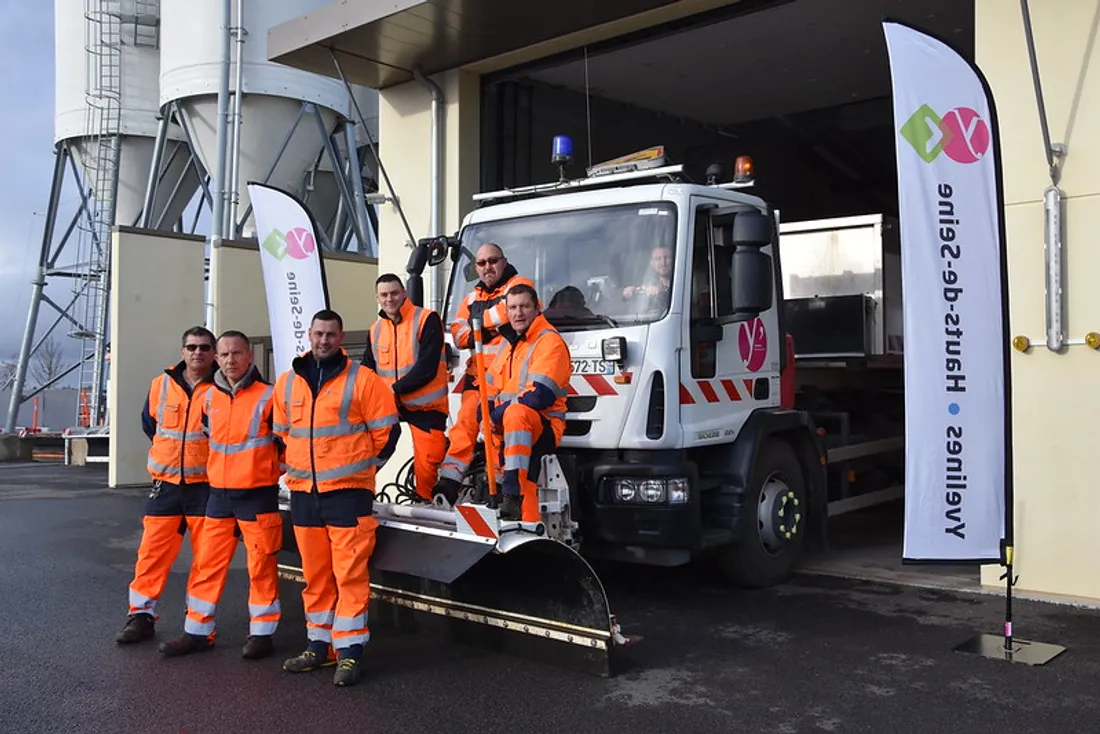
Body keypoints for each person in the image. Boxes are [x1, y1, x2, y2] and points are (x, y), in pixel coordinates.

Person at [273, 309, 401, 688]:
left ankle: (349, 654)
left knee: (350, 576)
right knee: (315, 577)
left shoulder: (364, 381)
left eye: (330, 334)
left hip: (348, 495)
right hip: (305, 495)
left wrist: (360, 471)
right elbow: (282, 433)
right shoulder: (288, 383)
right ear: (308, 336)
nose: (323, 340)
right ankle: (318, 647)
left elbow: (387, 436)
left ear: (341, 338)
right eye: (318, 334)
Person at [157, 330, 284, 660]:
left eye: (237, 353)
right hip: (219, 494)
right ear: (218, 358)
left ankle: (262, 633)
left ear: (250, 356)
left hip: (257, 495)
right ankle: (197, 631)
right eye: (224, 354)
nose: (230, 360)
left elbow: (287, 445)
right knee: (206, 565)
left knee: (261, 566)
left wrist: (266, 471)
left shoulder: (269, 396)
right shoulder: (210, 397)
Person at [116, 326, 217, 644]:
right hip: (167, 486)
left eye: (204, 347)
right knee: (151, 554)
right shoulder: (160, 386)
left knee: (206, 560)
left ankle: (199, 625)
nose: (197, 352)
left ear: (213, 353)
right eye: (191, 347)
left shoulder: (222, 388)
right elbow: (150, 425)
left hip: (206, 487)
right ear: (182, 351)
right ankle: (140, 617)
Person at [433, 242, 534, 504]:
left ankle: (498, 485)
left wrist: (479, 323)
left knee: (496, 429)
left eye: (493, 261)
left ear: (504, 261)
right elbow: (458, 333)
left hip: (506, 372)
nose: (487, 267)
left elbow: (513, 313)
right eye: (481, 263)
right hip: (476, 374)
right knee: (464, 426)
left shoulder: (519, 286)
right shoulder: (471, 297)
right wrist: (492, 325)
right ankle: (449, 483)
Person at [480, 284, 571, 522]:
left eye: (524, 307)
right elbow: (489, 390)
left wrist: (496, 414)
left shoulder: (549, 341)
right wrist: (487, 415)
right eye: (512, 308)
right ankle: (501, 494)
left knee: (517, 413)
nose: (518, 313)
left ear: (537, 308)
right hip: (510, 430)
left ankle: (511, 493)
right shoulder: (508, 344)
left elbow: (540, 395)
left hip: (544, 425)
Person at [361, 273, 448, 503]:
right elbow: (367, 370)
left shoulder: (427, 319)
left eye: (394, 293)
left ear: (404, 293)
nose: (389, 298)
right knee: (370, 447)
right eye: (384, 295)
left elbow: (427, 367)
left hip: (426, 407)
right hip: (389, 405)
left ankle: (427, 506)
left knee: (429, 462)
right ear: (377, 298)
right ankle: (358, 491)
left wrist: (392, 390)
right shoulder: (375, 329)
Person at [621, 245, 673, 311]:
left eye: (666, 258)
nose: (663, 263)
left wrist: (662, 293)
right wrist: (631, 291)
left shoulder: (683, 283)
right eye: (658, 259)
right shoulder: (649, 283)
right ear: (652, 264)